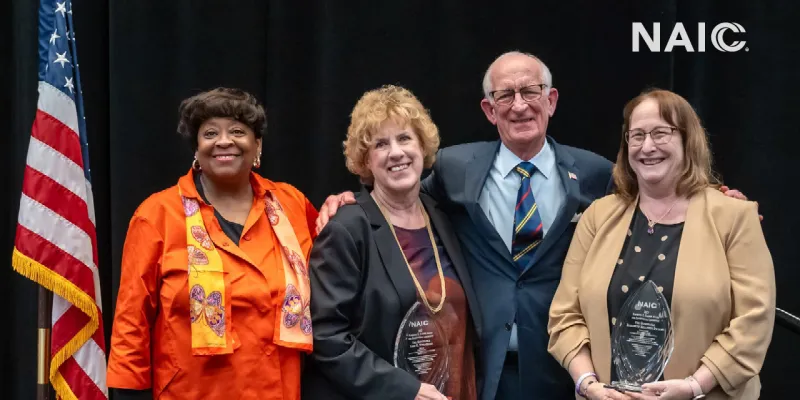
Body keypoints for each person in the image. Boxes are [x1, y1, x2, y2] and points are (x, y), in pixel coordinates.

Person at [315, 52, 753, 400]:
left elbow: (656, 195)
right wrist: (350, 196)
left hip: (563, 372)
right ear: (489, 109)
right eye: (505, 96)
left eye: (531, 91)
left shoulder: (595, 173)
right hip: (480, 372)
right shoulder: (454, 169)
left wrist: (711, 196)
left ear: (552, 100)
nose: (519, 105)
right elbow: (397, 191)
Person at [547, 88, 775, 400]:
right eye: (637, 135)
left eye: (660, 133)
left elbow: (754, 322)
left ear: (688, 140)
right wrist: (588, 384)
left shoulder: (734, 217)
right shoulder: (597, 217)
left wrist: (694, 387)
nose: (647, 146)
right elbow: (564, 317)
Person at [106, 88, 319, 399]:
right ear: (197, 147)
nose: (224, 141)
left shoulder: (292, 203)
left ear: (256, 144)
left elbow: (339, 255)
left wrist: (344, 203)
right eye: (210, 133)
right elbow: (130, 324)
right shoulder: (157, 215)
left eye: (237, 131)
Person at [301, 85, 483, 400]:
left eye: (404, 138)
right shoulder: (347, 229)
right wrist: (404, 390)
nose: (396, 152)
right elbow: (326, 336)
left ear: (422, 146)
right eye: (381, 144)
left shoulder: (445, 217)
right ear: (365, 161)